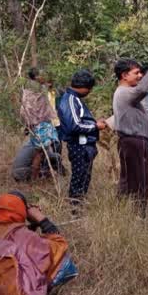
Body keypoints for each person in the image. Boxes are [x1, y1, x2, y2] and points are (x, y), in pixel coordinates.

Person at [112, 53, 148, 217]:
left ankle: (124, 215)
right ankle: (138, 217)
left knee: (131, 181)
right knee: (140, 183)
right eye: (136, 73)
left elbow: (129, 117)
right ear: (124, 75)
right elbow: (143, 89)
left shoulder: (124, 93)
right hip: (134, 143)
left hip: (134, 142)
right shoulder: (124, 92)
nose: (140, 75)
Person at [57, 70, 106, 211]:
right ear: (84, 87)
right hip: (79, 145)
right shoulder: (70, 100)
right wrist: (95, 126)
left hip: (85, 145)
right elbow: (74, 125)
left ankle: (79, 205)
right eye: (89, 89)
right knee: (79, 177)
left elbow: (80, 121)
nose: (89, 92)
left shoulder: (75, 99)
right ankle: (75, 208)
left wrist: (94, 122)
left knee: (84, 177)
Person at [21, 68, 61, 181]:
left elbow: (25, 110)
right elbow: (39, 108)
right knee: (40, 153)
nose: (44, 77)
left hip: (35, 125)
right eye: (41, 75)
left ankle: (39, 175)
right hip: (40, 125)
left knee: (41, 152)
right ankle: (35, 178)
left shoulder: (28, 90)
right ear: (37, 77)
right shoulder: (39, 90)